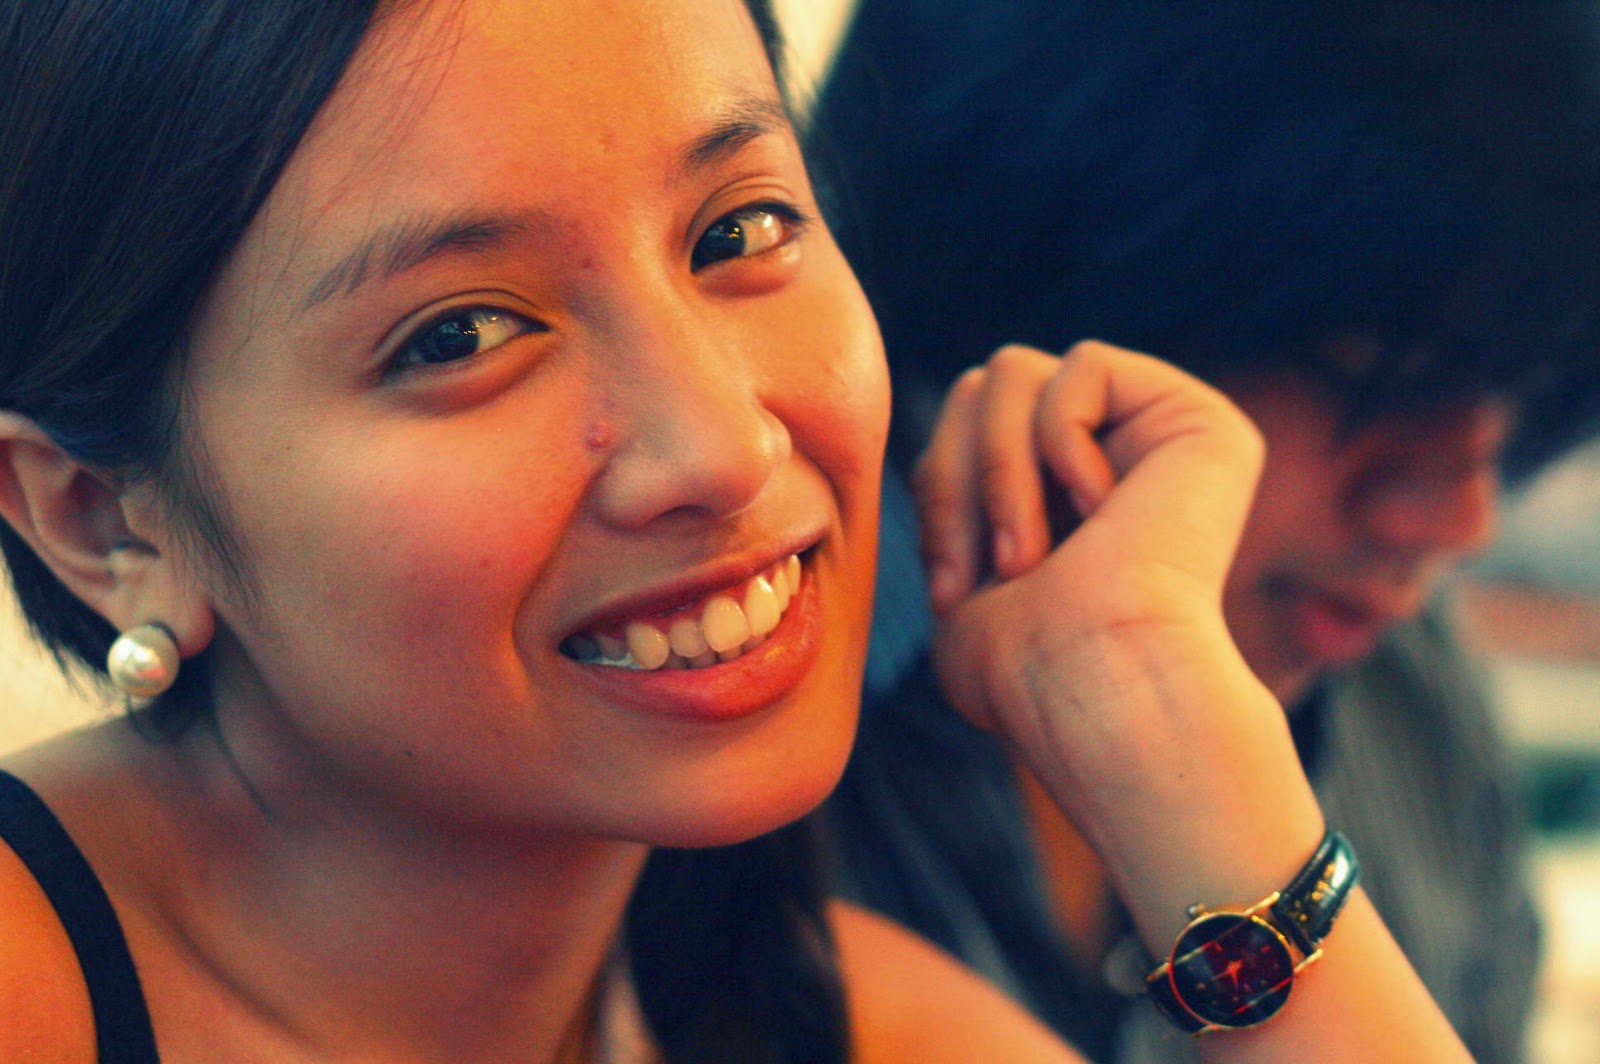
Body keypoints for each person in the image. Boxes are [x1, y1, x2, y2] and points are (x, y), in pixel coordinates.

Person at [0, 0, 1481, 1060]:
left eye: (739, 231)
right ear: (99, 519)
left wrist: (1159, 704)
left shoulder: (842, 1016)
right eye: (460, 333)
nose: (724, 443)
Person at [813, 1, 1600, 1061]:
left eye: (1514, 400)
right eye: (1375, 376)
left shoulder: (1408, 695)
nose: (1462, 516)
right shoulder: (747, 751)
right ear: (1074, 261)